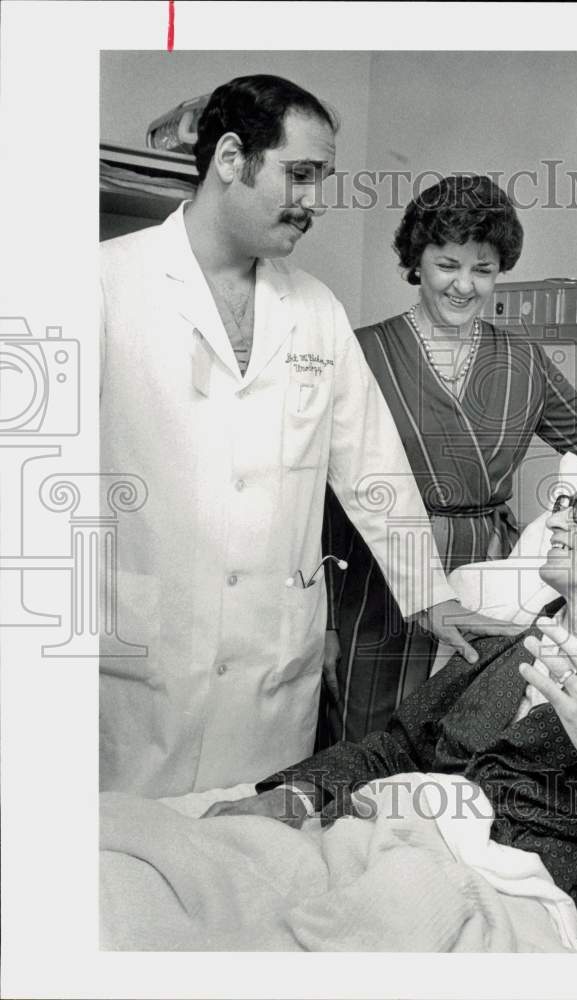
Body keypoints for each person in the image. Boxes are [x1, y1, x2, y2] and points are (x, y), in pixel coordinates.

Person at [99, 76, 517, 797]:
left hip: (270, 673)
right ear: (231, 157)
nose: (316, 200)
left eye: (321, 178)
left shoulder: (315, 310)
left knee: (258, 872)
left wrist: (433, 597)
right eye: (301, 174)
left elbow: (372, 468)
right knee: (124, 878)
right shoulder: (100, 283)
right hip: (138, 670)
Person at [207, 461, 577, 955]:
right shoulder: (509, 645)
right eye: (562, 506)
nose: (558, 523)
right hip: (388, 844)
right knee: (181, 863)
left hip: (509, 904)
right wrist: (293, 798)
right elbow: (395, 749)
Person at [320, 175, 577, 747]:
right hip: (384, 571)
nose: (464, 285)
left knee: (467, 726)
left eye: (481, 269)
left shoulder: (522, 359)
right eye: (447, 265)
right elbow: (321, 497)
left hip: (487, 570)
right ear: (416, 261)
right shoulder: (360, 351)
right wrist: (327, 622)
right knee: (373, 734)